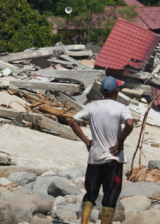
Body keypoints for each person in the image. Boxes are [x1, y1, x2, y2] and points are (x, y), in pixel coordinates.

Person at [69, 76, 134, 224]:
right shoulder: (121, 108)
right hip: (113, 159)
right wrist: (121, 140)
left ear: (101, 91)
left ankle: (84, 222)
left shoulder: (92, 106)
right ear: (117, 91)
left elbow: (73, 121)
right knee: (110, 195)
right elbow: (129, 124)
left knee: (90, 194)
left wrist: (87, 141)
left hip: (94, 158)